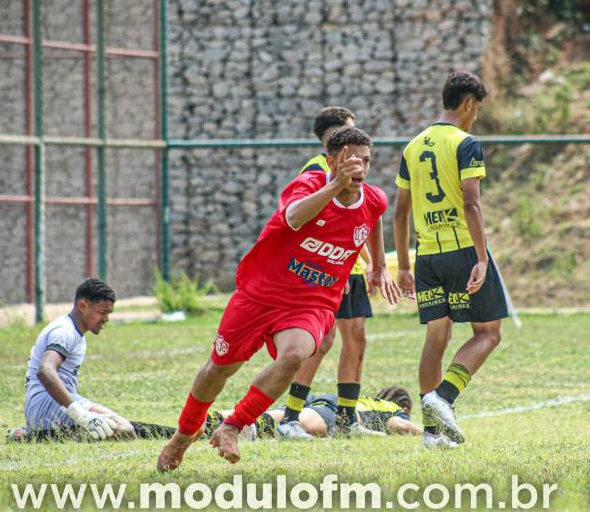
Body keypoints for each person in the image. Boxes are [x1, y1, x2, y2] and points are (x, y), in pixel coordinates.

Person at [157, 126, 400, 470]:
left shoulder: (374, 198)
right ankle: (183, 435)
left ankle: (234, 425)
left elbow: (372, 217)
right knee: (218, 370)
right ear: (330, 161)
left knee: (294, 356)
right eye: (350, 160)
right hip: (260, 295)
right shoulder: (308, 185)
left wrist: (377, 266)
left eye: (366, 160)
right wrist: (335, 185)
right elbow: (294, 218)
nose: (359, 167)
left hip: (310, 303)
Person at [394, 71, 508, 449]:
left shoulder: (411, 148)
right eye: (476, 111)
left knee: (436, 337)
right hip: (461, 249)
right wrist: (481, 257)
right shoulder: (465, 143)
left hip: (426, 255)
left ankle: (432, 433)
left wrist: (406, 267)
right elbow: (471, 203)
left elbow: (399, 214)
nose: (474, 117)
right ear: (469, 104)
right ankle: (442, 397)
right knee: (488, 333)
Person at [279, 106, 381, 440]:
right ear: (332, 140)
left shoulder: (355, 172)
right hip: (326, 270)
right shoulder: (317, 170)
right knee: (320, 342)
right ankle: (290, 418)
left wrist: (369, 261)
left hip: (347, 267)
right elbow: (306, 219)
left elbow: (358, 217)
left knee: (357, 339)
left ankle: (347, 421)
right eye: (348, 130)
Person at [8, 279, 174, 442]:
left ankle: (31, 434)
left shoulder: (73, 331)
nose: (106, 319)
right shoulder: (65, 332)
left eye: (108, 313)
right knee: (124, 429)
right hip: (48, 405)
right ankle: (34, 436)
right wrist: (81, 415)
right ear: (83, 306)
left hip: (48, 406)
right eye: (102, 312)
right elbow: (45, 371)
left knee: (117, 426)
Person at [200, 386, 420, 440]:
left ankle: (208, 422)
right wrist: (424, 432)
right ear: (405, 408)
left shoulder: (371, 400)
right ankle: (250, 429)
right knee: (305, 422)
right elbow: (399, 426)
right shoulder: (395, 410)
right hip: (336, 411)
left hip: (324, 400)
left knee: (282, 415)